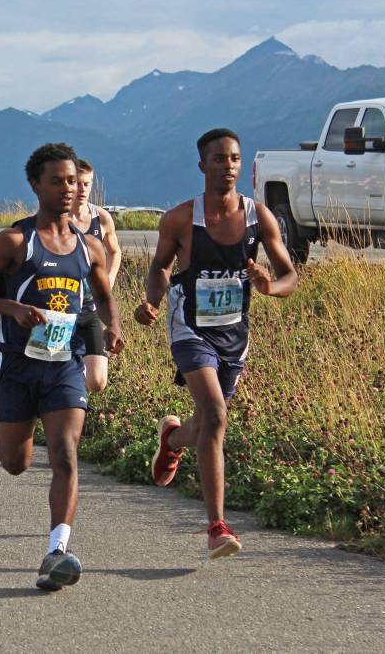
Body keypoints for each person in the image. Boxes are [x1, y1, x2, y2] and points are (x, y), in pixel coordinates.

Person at [0, 143, 123, 591]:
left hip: (63, 366)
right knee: (15, 463)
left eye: (73, 180)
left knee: (65, 454)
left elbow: (105, 295)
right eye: (57, 181)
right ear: (36, 185)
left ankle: (58, 550)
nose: (68, 188)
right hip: (16, 365)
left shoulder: (89, 247)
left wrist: (111, 328)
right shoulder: (14, 242)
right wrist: (11, 308)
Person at [135, 128, 297, 558]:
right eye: (220, 159)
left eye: (235, 159)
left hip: (234, 335)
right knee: (216, 416)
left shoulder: (258, 217)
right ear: (202, 165)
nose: (229, 166)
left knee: (206, 424)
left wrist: (269, 287)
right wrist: (151, 301)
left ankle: (172, 440)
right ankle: (217, 526)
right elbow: (159, 267)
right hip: (189, 328)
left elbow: (290, 276)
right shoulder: (181, 219)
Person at [70, 158, 121, 393]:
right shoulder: (56, 219)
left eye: (87, 184)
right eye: (77, 184)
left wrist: (109, 278)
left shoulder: (101, 218)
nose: (82, 190)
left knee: (97, 382)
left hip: (90, 309)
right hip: (60, 310)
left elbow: (114, 251)